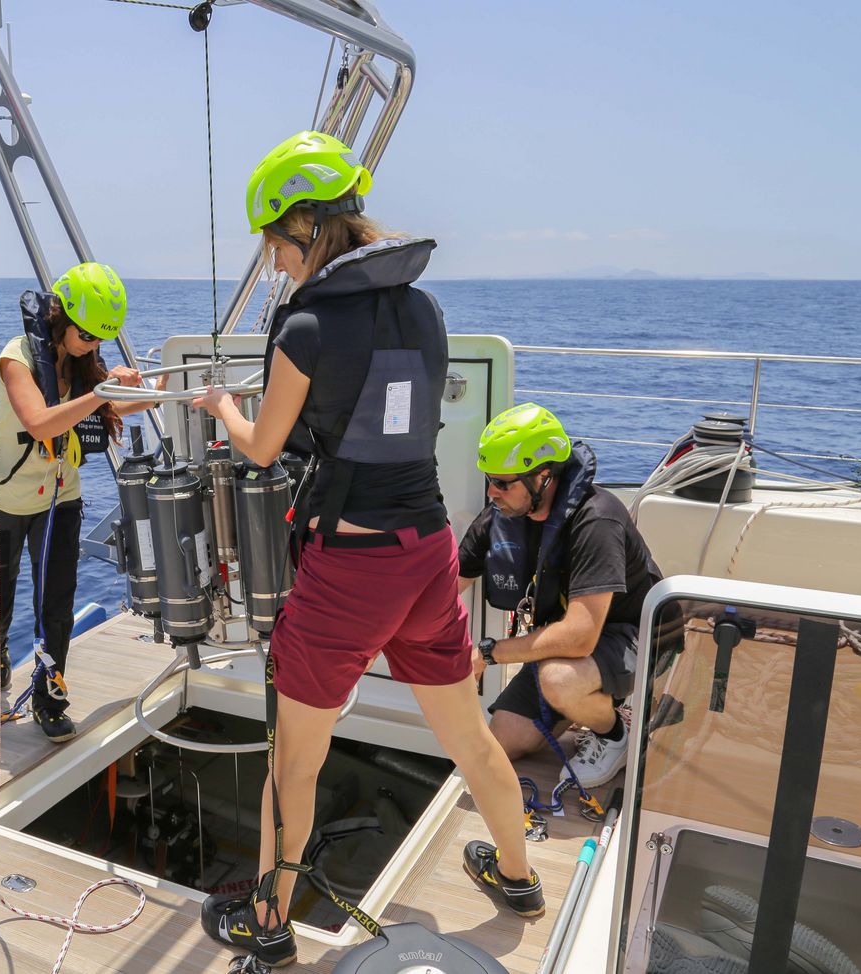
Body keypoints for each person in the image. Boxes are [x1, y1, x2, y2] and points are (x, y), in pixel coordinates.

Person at [194, 132, 543, 969]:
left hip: (352, 569)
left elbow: (264, 448)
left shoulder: (305, 326)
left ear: (307, 227)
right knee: (470, 737)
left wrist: (218, 405)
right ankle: (520, 876)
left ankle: (269, 925)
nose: (274, 263)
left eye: (276, 245)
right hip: (425, 555)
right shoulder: (424, 309)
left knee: (295, 763)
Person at [0, 262, 163, 743]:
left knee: (56, 602)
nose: (93, 346)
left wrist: (159, 393)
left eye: (102, 340)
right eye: (87, 336)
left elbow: (110, 406)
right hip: (2, 499)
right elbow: (40, 423)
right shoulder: (16, 359)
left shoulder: (83, 364)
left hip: (61, 497)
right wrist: (100, 393)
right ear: (62, 318)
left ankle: (49, 697)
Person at [459, 402, 663, 788]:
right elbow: (451, 583)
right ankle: (587, 700)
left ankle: (614, 733)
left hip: (634, 635)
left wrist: (487, 653)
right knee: (504, 738)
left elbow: (580, 636)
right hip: (565, 643)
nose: (492, 492)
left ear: (544, 477)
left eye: (503, 483)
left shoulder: (596, 519)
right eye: (489, 479)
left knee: (559, 679)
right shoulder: (499, 518)